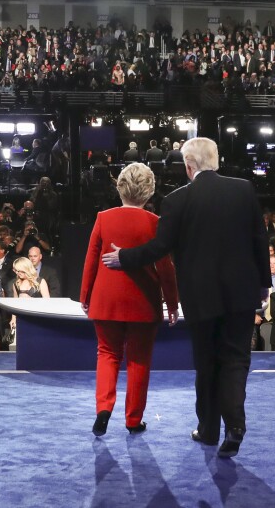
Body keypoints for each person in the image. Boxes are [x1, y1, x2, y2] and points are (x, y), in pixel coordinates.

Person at [102, 137, 269, 458]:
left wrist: (124, 258)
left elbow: (159, 249)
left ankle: (208, 431)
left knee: (207, 364)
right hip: (242, 293)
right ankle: (235, 425)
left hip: (200, 297)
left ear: (189, 167)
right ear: (216, 161)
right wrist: (263, 284)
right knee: (235, 360)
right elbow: (259, 240)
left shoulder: (177, 200)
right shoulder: (244, 189)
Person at [81, 163, 179, 436]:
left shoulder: (103, 217)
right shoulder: (155, 222)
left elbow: (91, 259)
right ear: (149, 192)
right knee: (139, 360)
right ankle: (133, 420)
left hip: (106, 298)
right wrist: (172, 303)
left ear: (119, 187)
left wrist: (85, 295)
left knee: (107, 353)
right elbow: (166, 268)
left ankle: (103, 409)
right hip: (143, 300)